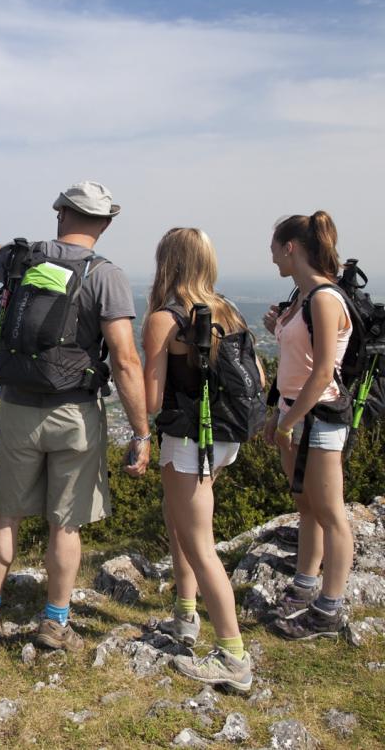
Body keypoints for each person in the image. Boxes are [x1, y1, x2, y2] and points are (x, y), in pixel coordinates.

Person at [0, 181, 150, 651]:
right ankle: (54, 621)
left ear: (61, 213)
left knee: (6, 515)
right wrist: (141, 431)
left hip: (18, 406)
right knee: (66, 524)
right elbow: (124, 358)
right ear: (106, 223)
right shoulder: (106, 276)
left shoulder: (24, 257)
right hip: (75, 412)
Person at [143, 227, 262, 692]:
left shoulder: (166, 317)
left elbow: (153, 399)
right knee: (180, 524)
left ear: (167, 263)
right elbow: (256, 372)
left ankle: (233, 656)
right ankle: (185, 614)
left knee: (198, 543)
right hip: (223, 437)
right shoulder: (225, 309)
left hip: (190, 440)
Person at [263, 211, 353, 639]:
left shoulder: (323, 298)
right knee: (306, 505)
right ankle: (304, 583)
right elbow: (297, 362)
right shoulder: (302, 296)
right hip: (295, 412)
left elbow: (321, 374)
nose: (272, 256)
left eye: (274, 248)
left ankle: (329, 609)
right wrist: (278, 414)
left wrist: (288, 422)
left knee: (331, 512)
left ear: (291, 248)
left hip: (317, 416)